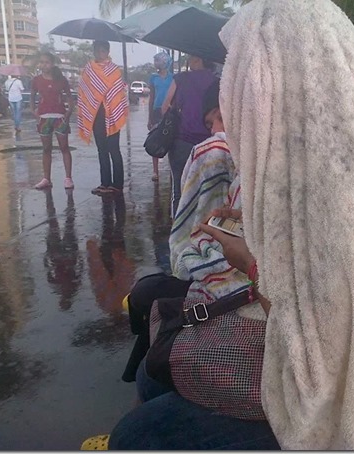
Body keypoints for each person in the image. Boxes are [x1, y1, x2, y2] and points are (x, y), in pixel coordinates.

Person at [109, 0, 354, 449]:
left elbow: (312, 342)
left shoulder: (336, 187)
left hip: (343, 404)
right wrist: (260, 224)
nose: (233, 93)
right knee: (157, 376)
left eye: (241, 76)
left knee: (136, 434)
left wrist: (247, 260)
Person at [120, 79, 237, 382]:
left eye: (219, 119)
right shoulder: (243, 158)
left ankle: (142, 377)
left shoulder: (213, 152)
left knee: (146, 295)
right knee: (149, 296)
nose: (215, 131)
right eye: (211, 124)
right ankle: (143, 372)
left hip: (231, 284)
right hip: (229, 274)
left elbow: (192, 228)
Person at [161, 54, 218, 218]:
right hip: (208, 143)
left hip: (181, 141)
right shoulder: (216, 81)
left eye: (192, 58)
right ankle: (200, 229)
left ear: (199, 59)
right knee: (205, 188)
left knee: (179, 189)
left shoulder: (180, 79)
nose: (189, 61)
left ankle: (177, 231)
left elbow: (165, 108)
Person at [78, 40, 128, 196]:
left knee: (114, 149)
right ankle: (105, 183)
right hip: (95, 114)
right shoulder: (88, 70)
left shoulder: (115, 71)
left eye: (102, 50)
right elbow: (84, 90)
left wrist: (107, 98)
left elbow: (118, 93)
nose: (100, 53)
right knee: (102, 150)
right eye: (97, 50)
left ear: (107, 51)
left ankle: (117, 184)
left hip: (112, 114)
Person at [31, 52, 75, 190]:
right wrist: (34, 112)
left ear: (52, 64)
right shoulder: (36, 80)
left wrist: (68, 113)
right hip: (44, 118)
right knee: (46, 149)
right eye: (42, 62)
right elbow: (32, 96)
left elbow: (70, 97)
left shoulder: (61, 80)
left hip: (59, 117)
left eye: (47, 62)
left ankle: (68, 178)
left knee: (64, 147)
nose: (44, 65)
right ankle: (46, 179)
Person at [147, 52, 174, 182]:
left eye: (158, 60)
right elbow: (151, 97)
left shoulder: (173, 78)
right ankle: (155, 171)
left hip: (169, 111)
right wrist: (149, 117)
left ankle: (171, 169)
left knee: (170, 139)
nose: (156, 63)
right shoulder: (153, 78)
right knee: (155, 138)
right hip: (156, 111)